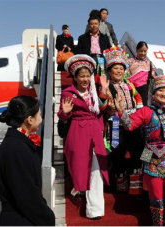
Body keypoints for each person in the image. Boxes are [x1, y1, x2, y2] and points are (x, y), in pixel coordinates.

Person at [114, 75, 165, 226]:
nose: (164, 94)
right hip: (151, 155)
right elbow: (129, 126)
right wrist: (121, 112)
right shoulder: (145, 111)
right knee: (156, 196)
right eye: (161, 90)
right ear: (153, 93)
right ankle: (158, 224)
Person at [58, 55, 109, 219]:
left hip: (95, 130)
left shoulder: (95, 90)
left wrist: (105, 94)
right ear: (75, 77)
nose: (86, 79)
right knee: (80, 165)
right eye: (82, 76)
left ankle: (95, 209)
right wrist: (64, 113)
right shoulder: (68, 92)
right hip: (78, 131)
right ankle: (78, 185)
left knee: (96, 168)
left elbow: (102, 108)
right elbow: (62, 115)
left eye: (88, 75)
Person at [0, 95, 55, 226]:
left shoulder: (17, 144)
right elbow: (27, 195)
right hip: (20, 219)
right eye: (39, 115)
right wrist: (47, 217)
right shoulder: (16, 149)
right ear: (30, 120)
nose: (41, 120)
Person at [99, 46, 144, 194]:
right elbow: (103, 107)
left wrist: (138, 111)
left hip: (133, 122)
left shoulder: (129, 84)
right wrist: (104, 92)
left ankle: (136, 188)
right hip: (115, 124)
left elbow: (137, 97)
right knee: (118, 153)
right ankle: (121, 185)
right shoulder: (106, 86)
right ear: (110, 70)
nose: (118, 71)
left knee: (137, 152)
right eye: (115, 68)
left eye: (121, 68)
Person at [127, 41, 155, 105]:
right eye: (141, 51)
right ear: (136, 50)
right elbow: (126, 75)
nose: (143, 53)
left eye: (145, 51)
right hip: (132, 88)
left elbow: (152, 77)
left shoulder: (149, 63)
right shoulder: (130, 61)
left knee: (143, 109)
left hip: (144, 90)